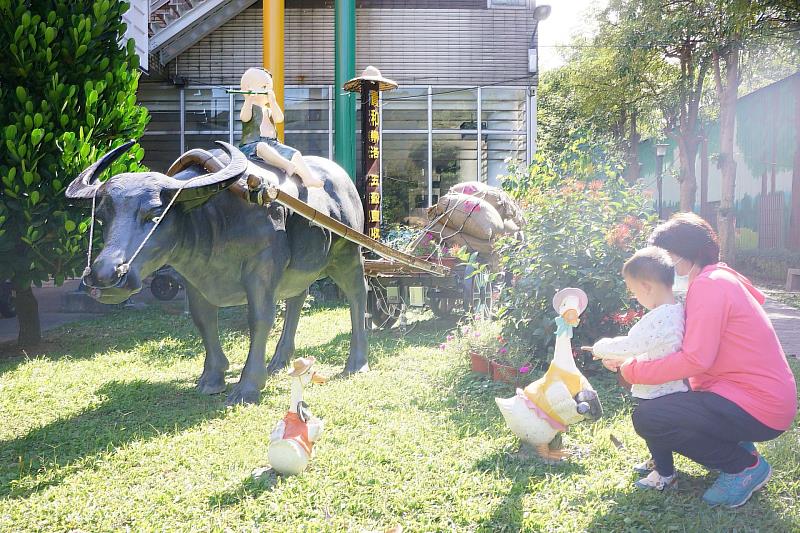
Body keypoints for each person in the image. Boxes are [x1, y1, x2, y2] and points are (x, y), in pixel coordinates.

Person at [602, 213, 797, 508]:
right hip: (758, 400)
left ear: (684, 254)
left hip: (755, 404)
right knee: (662, 408)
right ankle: (738, 449)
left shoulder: (710, 285)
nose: (665, 266)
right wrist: (632, 359)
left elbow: (695, 360)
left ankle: (743, 467)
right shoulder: (720, 277)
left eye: (667, 257)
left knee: (650, 417)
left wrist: (633, 371)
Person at [590, 247, 688, 490]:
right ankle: (659, 461)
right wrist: (622, 360)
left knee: (652, 428)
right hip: (668, 384)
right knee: (654, 429)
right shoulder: (676, 310)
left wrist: (600, 348)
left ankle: (665, 474)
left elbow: (631, 344)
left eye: (634, 291)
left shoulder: (659, 317)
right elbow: (652, 347)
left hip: (659, 389)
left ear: (646, 287)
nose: (635, 297)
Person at [238, 67, 323, 188]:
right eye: (263, 87)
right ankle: (287, 165)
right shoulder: (250, 108)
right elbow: (244, 117)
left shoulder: (268, 110)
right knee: (262, 147)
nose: (267, 91)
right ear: (247, 88)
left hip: (273, 143)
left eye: (269, 88)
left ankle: (308, 178)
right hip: (252, 145)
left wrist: (273, 101)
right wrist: (249, 100)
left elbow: (279, 119)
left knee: (295, 153)